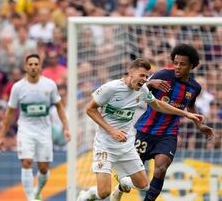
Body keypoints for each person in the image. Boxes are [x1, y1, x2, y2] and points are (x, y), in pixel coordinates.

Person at [77, 58, 203, 201]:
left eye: (146, 76)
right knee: (103, 193)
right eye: (142, 75)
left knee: (144, 186)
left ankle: (124, 182)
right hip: (105, 145)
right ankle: (87, 195)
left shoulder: (142, 90)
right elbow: (90, 109)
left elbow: (158, 104)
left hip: (126, 145)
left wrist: (186, 113)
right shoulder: (111, 88)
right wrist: (112, 131)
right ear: (130, 73)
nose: (144, 79)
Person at [117, 44, 215, 201]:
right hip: (145, 130)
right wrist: (150, 83)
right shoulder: (162, 75)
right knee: (133, 176)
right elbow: (135, 89)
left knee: (161, 168)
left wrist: (199, 124)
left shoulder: (194, 87)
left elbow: (190, 105)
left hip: (168, 134)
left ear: (192, 66)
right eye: (175, 62)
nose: (177, 67)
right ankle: (120, 188)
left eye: (182, 64)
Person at [0, 54, 70, 201]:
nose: (33, 67)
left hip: (44, 131)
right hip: (25, 129)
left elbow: (60, 107)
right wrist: (1, 136)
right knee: (27, 162)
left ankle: (37, 192)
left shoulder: (49, 85)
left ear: (40, 67)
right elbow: (10, 112)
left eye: (36, 64)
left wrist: (66, 128)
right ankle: (30, 198)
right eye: (30, 64)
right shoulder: (18, 88)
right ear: (25, 67)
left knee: (43, 168)